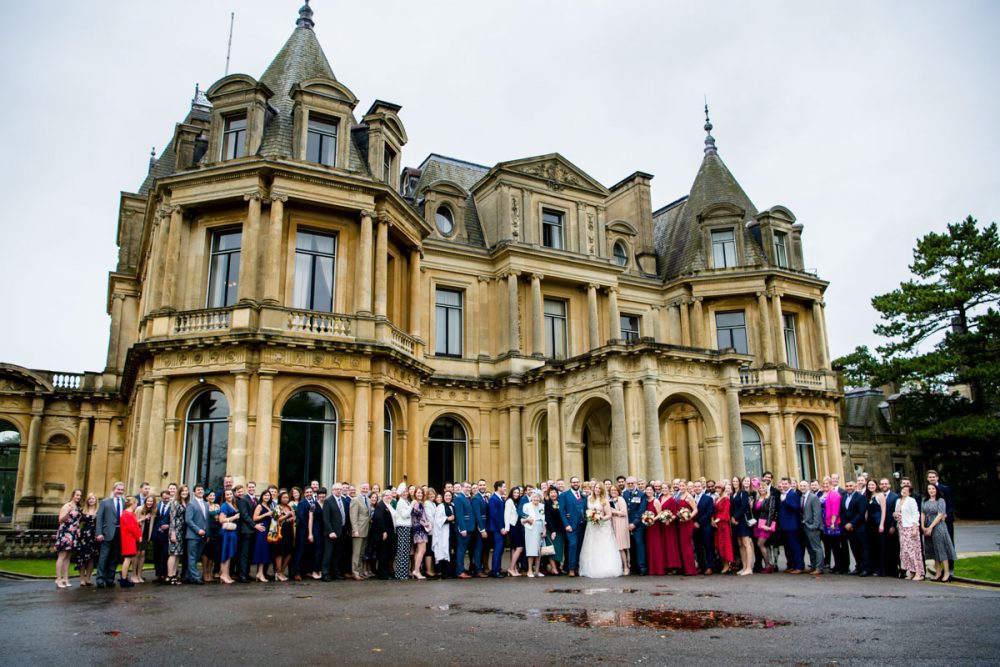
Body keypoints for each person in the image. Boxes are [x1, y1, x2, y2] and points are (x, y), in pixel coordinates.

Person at [579, 481, 622, 578]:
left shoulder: (604, 500)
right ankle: (592, 567)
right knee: (592, 545)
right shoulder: (589, 499)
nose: (597, 490)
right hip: (591, 525)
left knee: (603, 545)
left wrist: (600, 519)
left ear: (602, 490)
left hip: (603, 526)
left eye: (599, 488)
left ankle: (605, 568)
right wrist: (591, 516)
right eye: (596, 488)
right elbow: (587, 511)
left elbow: (609, 515)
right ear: (593, 489)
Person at [922, 483, 956, 582]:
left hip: (938, 527)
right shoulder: (924, 500)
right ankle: (938, 573)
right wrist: (924, 526)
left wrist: (931, 527)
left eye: (933, 489)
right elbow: (923, 513)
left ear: (936, 490)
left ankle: (946, 573)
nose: (931, 490)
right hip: (928, 527)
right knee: (934, 550)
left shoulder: (941, 500)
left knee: (941, 550)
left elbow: (940, 515)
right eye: (929, 489)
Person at [95, 481, 127, 589]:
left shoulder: (124, 502)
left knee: (114, 557)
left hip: (120, 533)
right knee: (104, 557)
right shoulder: (105, 502)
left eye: (122, 490)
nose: (120, 491)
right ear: (114, 490)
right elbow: (99, 518)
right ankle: (100, 579)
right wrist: (99, 533)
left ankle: (110, 579)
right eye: (118, 489)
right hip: (107, 533)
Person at [54, 489, 83, 589]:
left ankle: (65, 579)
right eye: (77, 495)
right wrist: (68, 512)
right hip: (65, 532)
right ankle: (58, 579)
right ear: (73, 495)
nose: (78, 497)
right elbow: (60, 520)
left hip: (73, 532)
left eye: (80, 495)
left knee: (68, 557)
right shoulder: (67, 506)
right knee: (62, 556)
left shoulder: (78, 507)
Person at [559, 477, 587, 577]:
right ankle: (571, 568)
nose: (575, 483)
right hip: (571, 526)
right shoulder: (564, 495)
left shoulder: (583, 495)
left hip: (582, 525)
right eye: (573, 482)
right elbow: (561, 511)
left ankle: (577, 567)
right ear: (570, 483)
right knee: (572, 545)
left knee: (579, 547)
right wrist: (566, 525)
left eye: (577, 482)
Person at [926, 470, 955, 569]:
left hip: (945, 521)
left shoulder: (945, 489)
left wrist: (946, 514)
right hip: (932, 522)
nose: (932, 479)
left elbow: (951, 505)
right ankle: (938, 568)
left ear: (937, 477)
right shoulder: (927, 489)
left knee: (948, 542)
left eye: (933, 477)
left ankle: (950, 567)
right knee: (936, 544)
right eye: (930, 477)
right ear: (927, 479)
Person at [896, 484, 924, 581]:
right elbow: (898, 515)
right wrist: (895, 515)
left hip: (910, 528)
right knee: (905, 552)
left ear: (910, 492)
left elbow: (916, 513)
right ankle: (911, 572)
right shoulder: (898, 501)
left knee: (913, 551)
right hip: (901, 528)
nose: (904, 491)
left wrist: (914, 528)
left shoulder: (911, 500)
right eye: (903, 489)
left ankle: (919, 573)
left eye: (906, 490)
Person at [841, 480, 869, 576]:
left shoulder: (861, 497)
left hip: (859, 527)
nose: (848, 487)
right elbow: (842, 512)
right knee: (854, 548)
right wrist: (845, 524)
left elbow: (861, 513)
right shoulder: (844, 497)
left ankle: (865, 568)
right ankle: (858, 567)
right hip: (848, 528)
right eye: (847, 486)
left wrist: (852, 524)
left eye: (850, 486)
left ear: (855, 486)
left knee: (862, 549)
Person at [778, 477, 805, 573]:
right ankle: (792, 565)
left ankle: (799, 567)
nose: (784, 485)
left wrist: (785, 501)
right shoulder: (783, 494)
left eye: (786, 483)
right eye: (783, 483)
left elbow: (795, 507)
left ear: (789, 484)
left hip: (792, 525)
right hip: (784, 525)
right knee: (788, 548)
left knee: (795, 547)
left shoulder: (793, 494)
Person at [183, 485, 209, 585]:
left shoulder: (206, 504)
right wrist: (198, 530)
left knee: (197, 556)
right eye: (198, 490)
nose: (200, 491)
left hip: (203, 536)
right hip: (193, 535)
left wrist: (207, 534)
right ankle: (196, 577)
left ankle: (188, 576)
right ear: (194, 492)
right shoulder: (191, 504)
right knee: (192, 556)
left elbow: (206, 520)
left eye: (202, 489)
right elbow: (188, 520)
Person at [321, 485, 346, 581]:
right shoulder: (328, 501)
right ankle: (326, 573)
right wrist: (330, 531)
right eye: (337, 489)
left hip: (341, 532)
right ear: (333, 490)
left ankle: (336, 572)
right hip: (331, 533)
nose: (339, 491)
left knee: (338, 554)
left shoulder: (343, 500)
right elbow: (326, 519)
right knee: (328, 553)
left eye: (340, 489)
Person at [622, 477, 647, 575]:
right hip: (626, 524)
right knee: (630, 546)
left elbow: (641, 510)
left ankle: (642, 567)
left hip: (638, 525)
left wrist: (634, 523)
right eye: (628, 483)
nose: (630, 485)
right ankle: (634, 567)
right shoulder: (625, 494)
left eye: (632, 483)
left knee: (639, 545)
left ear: (635, 483)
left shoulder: (642, 494)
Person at [753, 479, 778, 573]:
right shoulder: (757, 498)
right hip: (758, 524)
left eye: (763, 487)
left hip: (765, 524)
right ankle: (767, 564)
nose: (761, 489)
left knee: (760, 543)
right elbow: (755, 512)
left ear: (766, 488)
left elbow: (771, 512)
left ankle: (768, 565)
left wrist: (767, 525)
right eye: (760, 488)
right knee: (761, 545)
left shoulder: (770, 498)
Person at [821, 479, 846, 573]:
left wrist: (833, 523)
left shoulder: (834, 494)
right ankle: (836, 565)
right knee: (831, 545)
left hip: (833, 523)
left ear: (831, 484)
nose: (825, 485)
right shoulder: (825, 494)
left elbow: (835, 510)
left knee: (836, 546)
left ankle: (840, 566)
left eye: (827, 483)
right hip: (826, 523)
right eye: (823, 484)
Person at [75, 492, 99, 586]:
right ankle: (81, 578)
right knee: (82, 557)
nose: (91, 500)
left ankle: (88, 578)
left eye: (93, 499)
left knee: (91, 558)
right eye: (89, 499)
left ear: (96, 500)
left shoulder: (99, 511)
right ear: (87, 501)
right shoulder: (83, 511)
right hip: (84, 535)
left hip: (94, 535)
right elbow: (77, 522)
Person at [799, 480, 823, 575]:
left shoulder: (813, 497)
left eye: (804, 485)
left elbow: (817, 513)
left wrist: (814, 526)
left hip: (813, 527)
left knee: (816, 548)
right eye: (801, 486)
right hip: (805, 526)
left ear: (808, 486)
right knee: (810, 548)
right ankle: (813, 566)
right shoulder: (801, 497)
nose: (802, 487)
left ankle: (819, 567)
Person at [732, 477, 754, 576]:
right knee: (740, 544)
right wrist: (732, 518)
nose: (735, 483)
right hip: (735, 521)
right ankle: (744, 567)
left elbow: (744, 506)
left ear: (740, 483)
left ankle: (749, 567)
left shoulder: (743, 493)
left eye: (736, 481)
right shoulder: (733, 494)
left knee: (746, 543)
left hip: (742, 521)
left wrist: (735, 517)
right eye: (733, 481)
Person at [372, 489, 396, 579]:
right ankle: (382, 573)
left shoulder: (389, 505)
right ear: (383, 497)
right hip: (384, 533)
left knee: (388, 554)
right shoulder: (380, 506)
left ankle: (387, 572)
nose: (389, 496)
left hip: (391, 533)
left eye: (390, 495)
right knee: (383, 554)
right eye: (387, 495)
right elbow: (379, 519)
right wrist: (384, 531)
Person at [350, 484, 372, 580]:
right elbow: (353, 516)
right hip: (358, 530)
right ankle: (355, 572)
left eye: (366, 488)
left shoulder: (368, 500)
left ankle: (359, 571)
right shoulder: (355, 500)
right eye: (363, 488)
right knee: (356, 552)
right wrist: (355, 530)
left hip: (366, 529)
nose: (365, 490)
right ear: (360, 489)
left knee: (361, 552)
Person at [865, 479, 887, 577]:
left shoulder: (880, 495)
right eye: (869, 485)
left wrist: (882, 524)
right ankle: (872, 567)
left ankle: (880, 569)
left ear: (876, 485)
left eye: (872, 485)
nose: (871, 486)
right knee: (872, 546)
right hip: (870, 524)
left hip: (878, 522)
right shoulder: (868, 496)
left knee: (879, 546)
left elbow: (883, 510)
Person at [118, 496, 141, 588]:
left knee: (129, 558)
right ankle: (123, 578)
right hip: (129, 538)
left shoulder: (128, 513)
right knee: (127, 558)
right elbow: (131, 527)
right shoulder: (127, 514)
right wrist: (138, 536)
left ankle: (124, 576)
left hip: (130, 538)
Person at [692, 480, 714, 574]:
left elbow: (709, 512)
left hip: (705, 526)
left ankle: (709, 567)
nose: (697, 488)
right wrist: (693, 522)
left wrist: (699, 522)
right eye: (695, 486)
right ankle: (701, 566)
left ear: (702, 487)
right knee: (698, 547)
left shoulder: (708, 499)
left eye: (698, 486)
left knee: (708, 547)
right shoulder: (691, 498)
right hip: (694, 527)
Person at [218, 489, 240, 584]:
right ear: (224, 496)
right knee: (226, 554)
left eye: (231, 494)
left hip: (232, 531)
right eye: (227, 494)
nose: (229, 495)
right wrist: (234, 518)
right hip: (226, 531)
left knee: (229, 554)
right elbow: (221, 520)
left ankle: (227, 574)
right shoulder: (224, 506)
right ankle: (223, 574)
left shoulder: (233, 504)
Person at [252, 489, 274, 583]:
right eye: (265, 495)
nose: (266, 497)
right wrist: (266, 514)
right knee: (261, 551)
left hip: (268, 531)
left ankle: (260, 573)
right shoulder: (259, 506)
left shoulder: (269, 506)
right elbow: (254, 518)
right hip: (262, 530)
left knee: (264, 552)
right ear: (262, 496)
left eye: (268, 495)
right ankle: (259, 574)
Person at [132, 495, 156, 583]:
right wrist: (143, 519)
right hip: (138, 534)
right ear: (145, 501)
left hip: (146, 535)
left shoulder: (153, 511)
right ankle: (133, 575)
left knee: (142, 554)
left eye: (151, 501)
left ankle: (139, 575)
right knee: (136, 554)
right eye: (148, 501)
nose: (149, 503)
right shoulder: (139, 509)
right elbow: (133, 521)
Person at [523, 490, 546, 577]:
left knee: (539, 551)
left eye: (537, 497)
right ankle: (529, 571)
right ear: (531, 498)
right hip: (530, 529)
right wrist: (527, 520)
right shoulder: (526, 506)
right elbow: (522, 519)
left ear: (540, 498)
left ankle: (537, 571)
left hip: (540, 528)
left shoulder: (542, 506)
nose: (536, 498)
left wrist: (544, 530)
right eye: (534, 497)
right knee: (531, 550)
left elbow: (544, 519)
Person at [487, 480, 508, 578]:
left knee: (500, 549)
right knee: (498, 549)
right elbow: (494, 515)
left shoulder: (500, 498)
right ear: (498, 488)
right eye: (504, 487)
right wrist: (501, 528)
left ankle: (497, 569)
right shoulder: (493, 499)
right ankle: (495, 570)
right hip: (496, 529)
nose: (505, 488)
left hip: (499, 528)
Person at [880, 478, 900, 578]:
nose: (884, 485)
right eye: (882, 484)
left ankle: (895, 569)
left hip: (891, 525)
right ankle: (886, 569)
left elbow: (896, 511)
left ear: (889, 485)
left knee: (893, 548)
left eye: (886, 484)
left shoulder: (895, 497)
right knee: (884, 548)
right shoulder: (879, 496)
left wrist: (893, 525)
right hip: (881, 526)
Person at [453, 483, 474, 578]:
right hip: (463, 529)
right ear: (462, 488)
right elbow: (459, 515)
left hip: (470, 528)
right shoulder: (459, 498)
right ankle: (459, 571)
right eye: (466, 487)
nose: (468, 489)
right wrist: (463, 529)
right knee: (461, 550)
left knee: (463, 549)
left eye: (469, 487)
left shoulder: (467, 498)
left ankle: (461, 569)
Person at [543, 486, 565, 576]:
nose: (553, 494)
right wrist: (552, 531)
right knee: (552, 550)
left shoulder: (560, 502)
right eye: (551, 493)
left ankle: (557, 567)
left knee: (559, 550)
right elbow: (547, 518)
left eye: (554, 492)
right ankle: (554, 568)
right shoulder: (548, 503)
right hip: (552, 530)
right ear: (549, 494)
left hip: (560, 529)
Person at [504, 485, 525, 577]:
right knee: (519, 548)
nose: (516, 494)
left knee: (514, 548)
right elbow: (506, 515)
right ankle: (511, 568)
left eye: (518, 493)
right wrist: (507, 528)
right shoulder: (509, 501)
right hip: (512, 527)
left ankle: (514, 569)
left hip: (517, 526)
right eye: (515, 492)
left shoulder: (516, 502)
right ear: (511, 493)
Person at [608, 485, 630, 574]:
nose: (613, 491)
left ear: (618, 491)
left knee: (620, 547)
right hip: (612, 523)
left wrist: (613, 511)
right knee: (615, 547)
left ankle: (626, 567)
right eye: (611, 490)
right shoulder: (609, 500)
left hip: (620, 523)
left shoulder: (620, 499)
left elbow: (624, 512)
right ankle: (618, 566)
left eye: (615, 490)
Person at [151, 489, 172, 582]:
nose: (166, 499)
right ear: (161, 497)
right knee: (156, 555)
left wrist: (168, 526)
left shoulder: (173, 506)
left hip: (167, 534)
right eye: (164, 498)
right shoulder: (156, 506)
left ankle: (165, 573)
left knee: (165, 554)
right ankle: (158, 574)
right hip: (157, 533)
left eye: (168, 498)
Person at [393, 484, 413, 580]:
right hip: (403, 527)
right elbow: (405, 515)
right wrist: (411, 506)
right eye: (403, 492)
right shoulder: (401, 502)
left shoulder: (405, 501)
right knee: (402, 551)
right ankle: (400, 573)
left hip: (406, 527)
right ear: (400, 494)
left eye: (406, 491)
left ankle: (403, 573)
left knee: (405, 551)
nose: (405, 493)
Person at [274, 490, 295, 581]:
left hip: (289, 530)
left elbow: (293, 517)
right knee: (280, 551)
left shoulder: (289, 507)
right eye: (284, 497)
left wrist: (292, 518)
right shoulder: (277, 507)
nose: (286, 499)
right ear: (280, 498)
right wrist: (288, 516)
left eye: (287, 497)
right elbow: (277, 519)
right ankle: (278, 572)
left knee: (289, 551)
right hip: (280, 531)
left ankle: (282, 570)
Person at [411, 487, 432, 579]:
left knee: (418, 551)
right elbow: (419, 518)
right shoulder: (415, 503)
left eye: (421, 493)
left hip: (420, 528)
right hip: (419, 529)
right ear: (415, 494)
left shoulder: (420, 503)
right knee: (422, 550)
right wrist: (427, 524)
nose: (420, 494)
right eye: (418, 493)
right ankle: (416, 571)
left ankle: (416, 570)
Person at [713, 480, 733, 574]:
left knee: (725, 545)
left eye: (719, 488)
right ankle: (723, 563)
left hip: (723, 524)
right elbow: (715, 511)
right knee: (719, 546)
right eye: (716, 488)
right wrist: (713, 520)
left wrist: (716, 520)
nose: (717, 489)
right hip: (717, 524)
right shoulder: (717, 498)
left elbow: (725, 512)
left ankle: (727, 565)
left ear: (723, 489)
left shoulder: (726, 499)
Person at [432, 491, 454, 577]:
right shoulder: (441, 506)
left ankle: (449, 571)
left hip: (450, 531)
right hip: (442, 532)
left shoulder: (452, 505)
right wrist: (447, 518)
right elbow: (437, 520)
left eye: (449, 495)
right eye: (446, 496)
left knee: (450, 550)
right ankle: (441, 571)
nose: (448, 497)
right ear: (443, 497)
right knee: (442, 549)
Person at [471, 480, 490, 577]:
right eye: (480, 485)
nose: (482, 486)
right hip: (480, 528)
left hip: (487, 526)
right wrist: (482, 530)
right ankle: (478, 570)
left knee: (484, 548)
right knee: (478, 548)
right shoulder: (476, 498)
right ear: (477, 487)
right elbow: (477, 516)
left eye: (484, 485)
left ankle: (484, 567)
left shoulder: (486, 497)